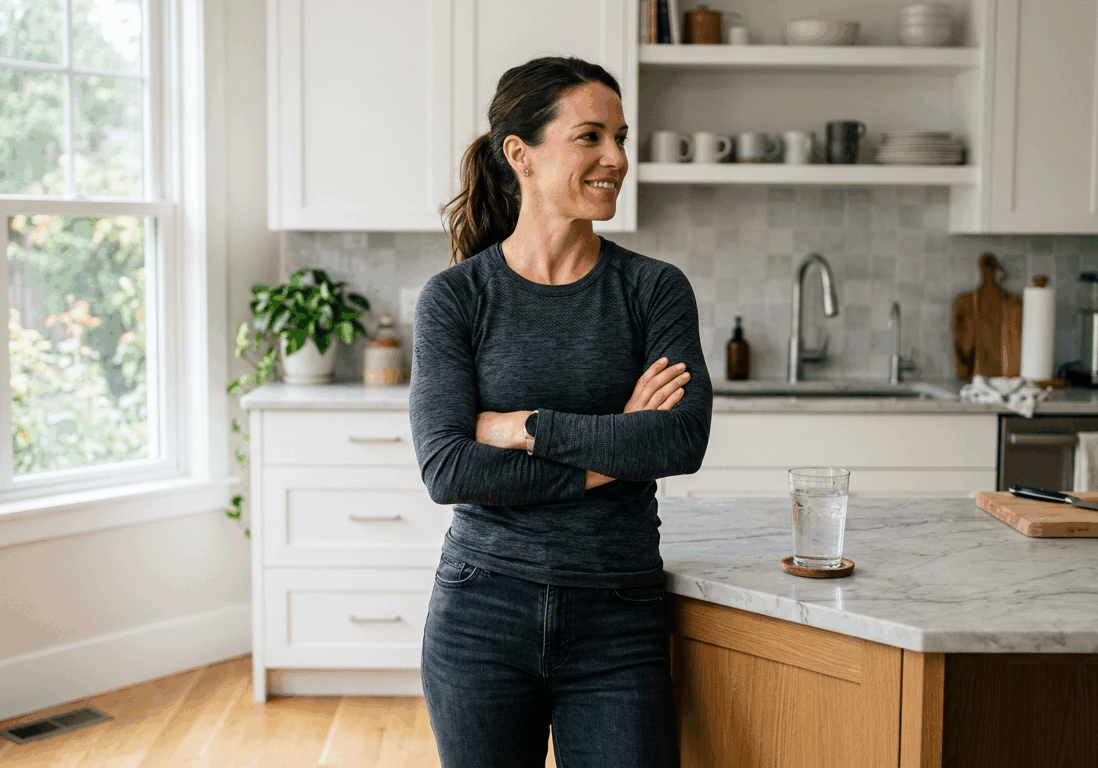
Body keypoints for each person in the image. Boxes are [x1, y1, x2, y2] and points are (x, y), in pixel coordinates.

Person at [409, 55, 712, 768]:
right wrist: (610, 458)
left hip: (618, 613)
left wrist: (523, 426)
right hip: (480, 610)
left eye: (622, 138)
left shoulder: (654, 290)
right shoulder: (456, 298)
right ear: (522, 154)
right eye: (591, 137)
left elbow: (678, 440)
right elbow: (448, 468)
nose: (617, 158)